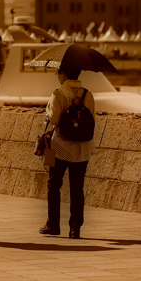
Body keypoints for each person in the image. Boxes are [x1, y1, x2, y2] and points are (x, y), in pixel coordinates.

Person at [39, 65, 95, 239]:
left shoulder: (58, 93)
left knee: (53, 185)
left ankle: (53, 224)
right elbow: (92, 117)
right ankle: (74, 228)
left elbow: (55, 119)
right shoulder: (88, 94)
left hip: (60, 147)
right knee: (77, 188)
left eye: (58, 73)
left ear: (63, 73)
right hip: (82, 148)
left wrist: (48, 112)